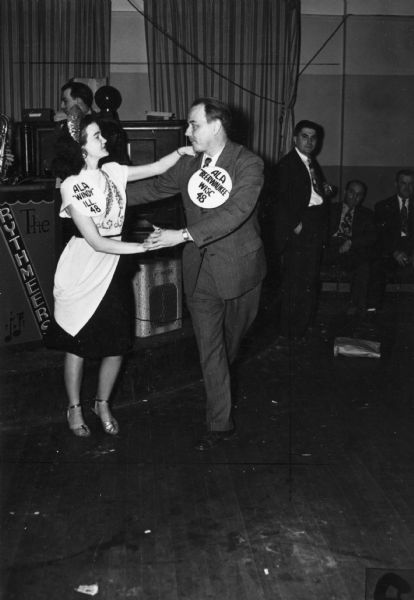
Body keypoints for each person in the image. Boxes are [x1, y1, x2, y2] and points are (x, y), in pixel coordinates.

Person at [44, 114, 194, 437]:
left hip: (114, 266)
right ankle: (74, 407)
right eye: (96, 136)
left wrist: (180, 153)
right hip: (85, 266)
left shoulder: (113, 171)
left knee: (116, 343)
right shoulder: (72, 186)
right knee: (78, 341)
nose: (104, 140)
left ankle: (102, 402)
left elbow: (154, 169)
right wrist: (144, 248)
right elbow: (96, 241)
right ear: (81, 148)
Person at [134, 97, 267, 451]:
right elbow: (152, 189)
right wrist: (99, 196)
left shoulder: (248, 164)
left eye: (193, 124)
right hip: (200, 272)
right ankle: (220, 424)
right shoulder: (189, 164)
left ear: (216, 125)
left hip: (240, 272)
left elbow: (236, 211)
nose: (187, 131)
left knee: (229, 347)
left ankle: (222, 387)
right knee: (211, 350)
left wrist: (184, 234)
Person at [273, 119, 334, 341]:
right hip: (301, 228)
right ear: (295, 139)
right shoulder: (287, 164)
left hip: (315, 224)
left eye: (313, 137)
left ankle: (301, 327)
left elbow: (308, 191)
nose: (309, 141)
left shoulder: (311, 162)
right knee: (295, 282)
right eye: (305, 136)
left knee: (309, 280)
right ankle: (289, 331)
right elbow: (278, 200)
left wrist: (324, 191)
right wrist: (294, 225)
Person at [323, 180, 376, 314]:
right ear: (346, 192)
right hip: (330, 248)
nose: (354, 197)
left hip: (351, 250)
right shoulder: (330, 209)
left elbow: (371, 236)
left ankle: (356, 306)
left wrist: (351, 242)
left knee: (363, 265)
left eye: (359, 194)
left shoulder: (367, 214)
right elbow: (320, 231)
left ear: (363, 197)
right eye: (352, 192)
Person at [368, 169, 414, 311]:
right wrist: (394, 252)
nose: (407, 187)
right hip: (391, 254)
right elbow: (380, 236)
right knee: (376, 267)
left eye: (411, 184)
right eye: (403, 183)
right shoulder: (382, 206)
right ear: (396, 184)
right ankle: (372, 310)